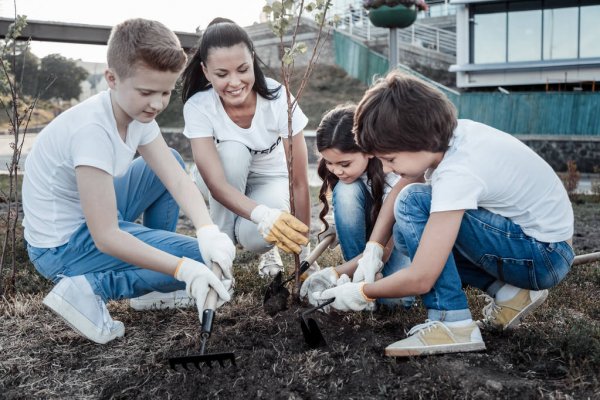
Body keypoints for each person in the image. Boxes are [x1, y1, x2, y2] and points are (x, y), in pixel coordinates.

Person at [313, 70, 574, 357]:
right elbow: (403, 186)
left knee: (414, 204)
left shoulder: (458, 171)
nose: (386, 168)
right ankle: (510, 293)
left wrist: (361, 292)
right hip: (541, 248)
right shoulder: (450, 137)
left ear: (415, 141)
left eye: (389, 159)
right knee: (404, 228)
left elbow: (423, 276)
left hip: (542, 255)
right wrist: (374, 248)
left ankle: (452, 322)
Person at [22, 18, 235, 345]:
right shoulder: (92, 132)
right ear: (112, 78)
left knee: (173, 163)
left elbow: (174, 177)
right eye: (147, 92)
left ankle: (149, 290)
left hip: (86, 218)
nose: (157, 104)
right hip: (61, 247)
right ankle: (88, 288)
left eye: (166, 92)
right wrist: (181, 269)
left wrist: (207, 229)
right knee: (199, 263)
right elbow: (107, 236)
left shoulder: (135, 112)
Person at [180, 17, 313, 278]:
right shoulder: (198, 106)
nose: (235, 82)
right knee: (233, 150)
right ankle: (220, 257)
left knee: (255, 237)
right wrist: (262, 214)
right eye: (221, 74)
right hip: (219, 180)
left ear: (252, 59)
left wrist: (304, 250)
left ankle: (264, 249)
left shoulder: (278, 99)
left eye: (242, 69)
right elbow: (217, 184)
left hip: (270, 180)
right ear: (206, 71)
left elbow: (298, 181)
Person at [300, 104, 414, 309]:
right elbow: (348, 198)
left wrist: (335, 272)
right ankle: (357, 278)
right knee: (346, 189)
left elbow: (383, 251)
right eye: (330, 163)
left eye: (344, 164)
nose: (337, 171)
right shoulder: (344, 177)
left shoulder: (393, 174)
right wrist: (339, 222)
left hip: (395, 240)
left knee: (395, 303)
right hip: (364, 246)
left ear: (368, 151)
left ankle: (357, 277)